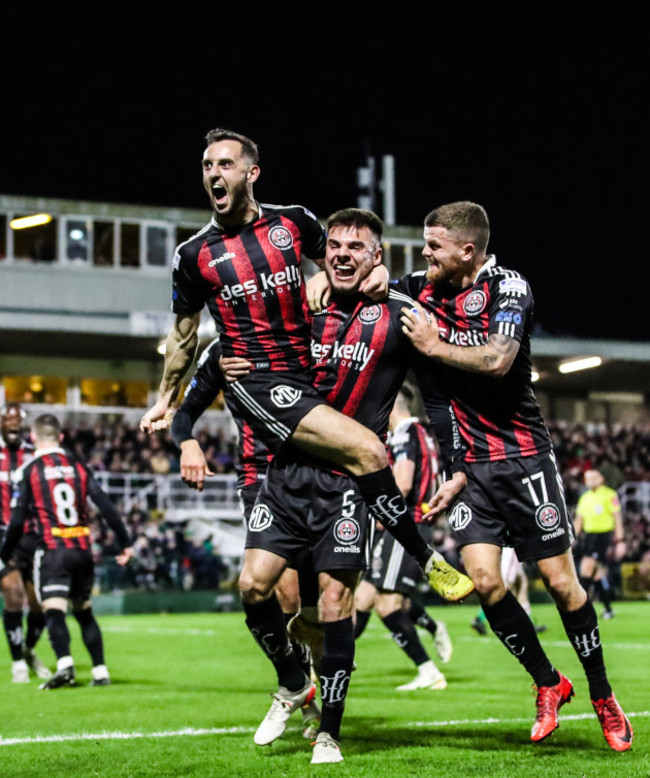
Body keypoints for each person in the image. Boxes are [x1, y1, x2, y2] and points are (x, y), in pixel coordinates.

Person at [140, 128, 471, 602]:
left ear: (252, 173)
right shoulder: (193, 255)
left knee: (301, 605)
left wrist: (377, 272)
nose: (214, 173)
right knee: (370, 450)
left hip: (302, 383)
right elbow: (184, 335)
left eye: (225, 164)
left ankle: (299, 674)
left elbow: (342, 263)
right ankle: (427, 559)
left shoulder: (292, 222)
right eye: (208, 166)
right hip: (257, 379)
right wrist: (166, 402)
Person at [225, 209, 468, 764]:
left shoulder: (400, 314)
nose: (341, 254)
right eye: (333, 244)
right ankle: (293, 682)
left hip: (349, 485)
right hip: (285, 475)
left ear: (376, 256)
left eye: (356, 246)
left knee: (335, 605)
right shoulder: (302, 305)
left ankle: (329, 731)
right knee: (255, 590)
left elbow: (434, 396)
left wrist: (454, 459)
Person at [397, 201, 632, 751]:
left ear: (467, 250)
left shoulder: (509, 287)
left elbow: (500, 359)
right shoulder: (424, 287)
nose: (425, 256)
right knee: (483, 582)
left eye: (434, 247)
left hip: (525, 458)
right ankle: (549, 683)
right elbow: (377, 281)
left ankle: (602, 695)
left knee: (561, 584)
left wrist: (434, 345)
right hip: (472, 472)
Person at [170, 338, 321, 740]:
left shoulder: (307, 331)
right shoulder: (223, 352)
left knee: (318, 615)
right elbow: (183, 414)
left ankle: (325, 709)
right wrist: (187, 442)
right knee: (274, 591)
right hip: (261, 481)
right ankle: (298, 689)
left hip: (319, 477)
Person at [0, 414, 133, 689]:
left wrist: (5, 553)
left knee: (54, 611)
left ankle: (64, 667)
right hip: (84, 549)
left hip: (53, 550)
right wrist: (125, 543)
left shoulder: (30, 469)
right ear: (60, 438)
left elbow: (17, 520)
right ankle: (100, 671)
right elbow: (105, 505)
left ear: (34, 438)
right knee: (84, 611)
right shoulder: (79, 466)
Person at [354, 385, 452, 691]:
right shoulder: (423, 433)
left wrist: (382, 510)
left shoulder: (404, 435)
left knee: (387, 604)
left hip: (405, 524)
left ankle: (429, 671)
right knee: (362, 598)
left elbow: (404, 482)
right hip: (411, 523)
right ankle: (331, 661)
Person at [0, 403, 51, 683]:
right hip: (1, 536)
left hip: (32, 536)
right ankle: (18, 662)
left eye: (17, 420)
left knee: (39, 604)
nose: (12, 424)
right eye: (7, 419)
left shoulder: (34, 457)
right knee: (12, 590)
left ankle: (28, 651)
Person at [574, 468, 625, 619]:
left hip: (603, 536)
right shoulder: (584, 498)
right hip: (589, 537)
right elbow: (579, 520)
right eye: (587, 478)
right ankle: (608, 609)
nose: (589, 481)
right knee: (596, 574)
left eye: (593, 478)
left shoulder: (610, 494)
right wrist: (572, 538)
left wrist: (620, 539)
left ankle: (580, 608)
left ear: (601, 479)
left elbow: (617, 516)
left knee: (586, 569)